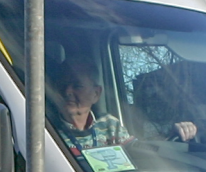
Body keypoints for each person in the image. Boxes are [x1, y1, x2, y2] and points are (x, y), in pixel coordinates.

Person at [47, 58, 195, 157]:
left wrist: (174, 134)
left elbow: (141, 154)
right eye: (63, 85)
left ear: (96, 94)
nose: (67, 92)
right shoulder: (46, 127)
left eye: (77, 86)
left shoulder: (110, 125)